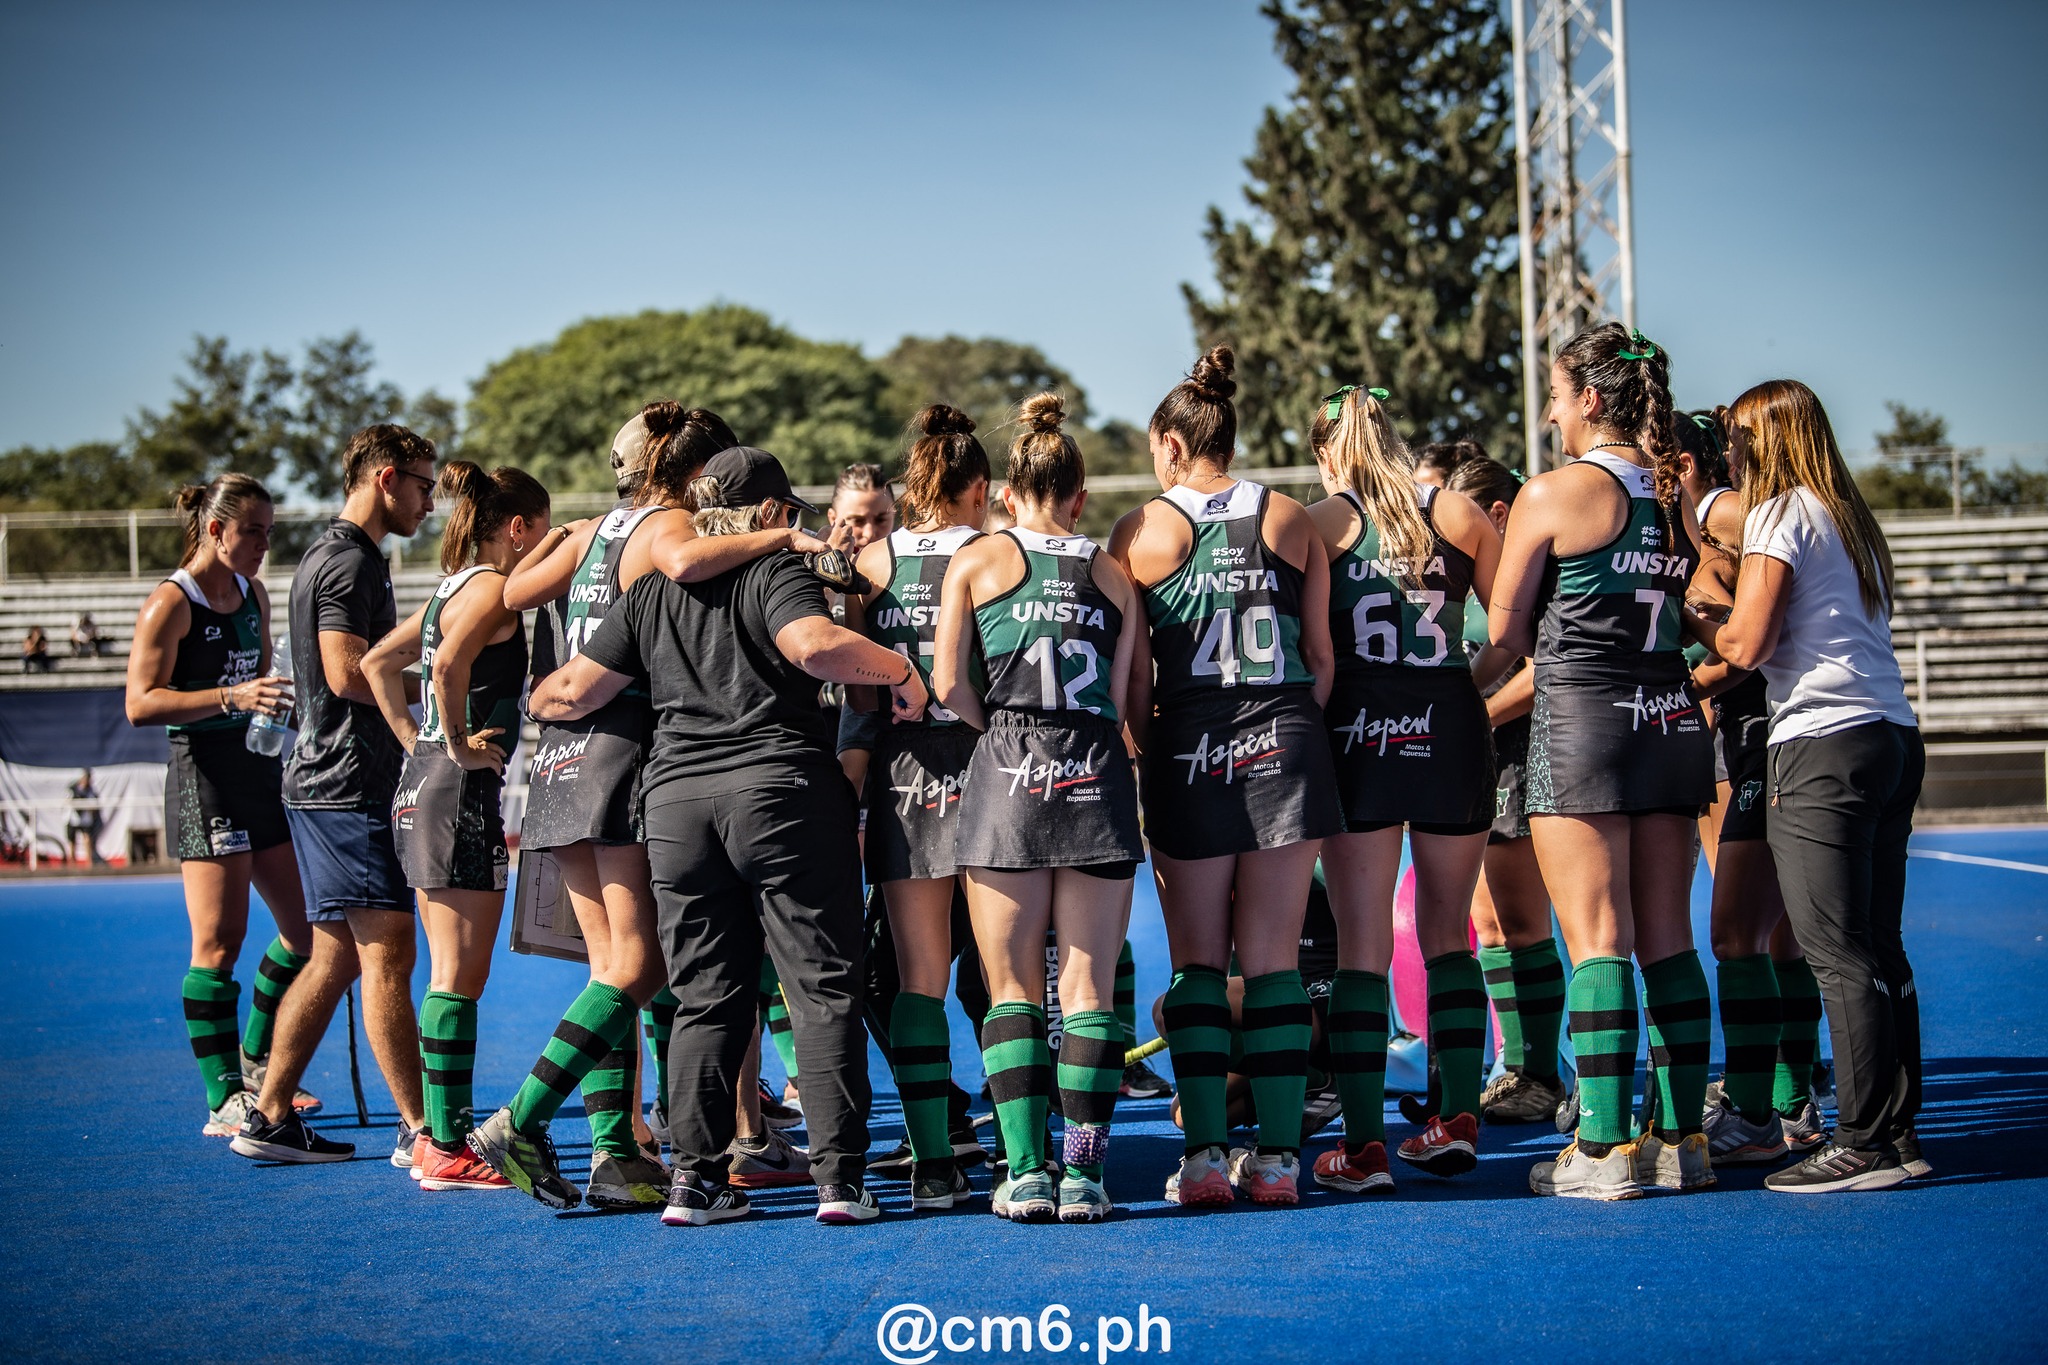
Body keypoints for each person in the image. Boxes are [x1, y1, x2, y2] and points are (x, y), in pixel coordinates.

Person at [529, 445, 929, 1227]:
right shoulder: (777, 570)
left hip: (676, 806)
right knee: (821, 988)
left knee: (705, 998)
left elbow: (568, 691)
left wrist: (530, 701)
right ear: (776, 515)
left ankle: (696, 1182)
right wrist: (903, 674)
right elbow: (814, 646)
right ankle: (840, 1181)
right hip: (781, 794)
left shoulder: (647, 594)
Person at [483, 404, 824, 1211]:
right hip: (624, 749)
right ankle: (521, 1119)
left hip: (561, 760)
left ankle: (614, 1152)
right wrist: (778, 538)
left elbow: (514, 588)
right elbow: (683, 564)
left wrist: (578, 542)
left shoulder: (593, 527)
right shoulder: (668, 522)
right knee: (644, 965)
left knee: (615, 972)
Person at [1110, 346, 1341, 1208]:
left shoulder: (1141, 530)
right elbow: (1321, 659)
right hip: (1286, 739)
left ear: (1170, 444)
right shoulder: (1291, 517)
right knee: (1277, 964)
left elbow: (1134, 679)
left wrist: (1149, 743)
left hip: (1188, 746)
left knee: (1196, 965)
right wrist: (1284, 725)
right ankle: (1279, 1161)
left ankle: (1205, 1157)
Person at [1489, 323, 1716, 1200]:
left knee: (1597, 939)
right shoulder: (1674, 493)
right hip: (1670, 720)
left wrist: (1456, 703)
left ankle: (1602, 1147)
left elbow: (1507, 635)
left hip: (1585, 725)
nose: (1549, 412)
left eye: (1554, 394)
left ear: (1588, 398)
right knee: (1668, 936)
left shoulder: (1553, 494)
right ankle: (1682, 1137)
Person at [1687, 379, 1927, 1194]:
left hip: (1821, 744)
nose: (1733, 453)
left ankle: (1859, 1141)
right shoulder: (1848, 517)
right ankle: (1895, 1131)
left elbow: (1748, 642)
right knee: (1878, 946)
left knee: (1836, 952)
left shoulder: (1783, 510)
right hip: (1890, 734)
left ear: (1769, 439)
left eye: (1740, 439)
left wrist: (1696, 614)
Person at [933, 393, 1148, 1224]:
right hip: (1095, 769)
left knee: (1011, 983)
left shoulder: (978, 561)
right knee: (1090, 987)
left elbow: (949, 681)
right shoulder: (1114, 574)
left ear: (1006, 491)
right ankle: (1085, 1173)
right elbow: (1134, 697)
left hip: (1009, 776)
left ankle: (1025, 1170)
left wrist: (1003, 731)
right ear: (1081, 494)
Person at [1302, 386, 1510, 1194]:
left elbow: (1309, 650)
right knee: (1449, 932)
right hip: (1452, 728)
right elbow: (1514, 630)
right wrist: (1462, 683)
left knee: (1362, 947)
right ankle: (1456, 1116)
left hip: (1360, 735)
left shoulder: (1321, 526)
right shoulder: (1458, 513)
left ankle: (1363, 1148)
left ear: (1327, 453)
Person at [230, 424, 436, 1167]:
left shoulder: (341, 554)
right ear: (386, 478)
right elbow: (349, 672)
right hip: (344, 785)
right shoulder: (346, 561)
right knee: (389, 952)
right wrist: (444, 684)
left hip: (327, 783)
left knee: (337, 957)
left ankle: (271, 1111)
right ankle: (422, 1130)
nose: (430, 500)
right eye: (423, 483)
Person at [361, 462, 549, 1192]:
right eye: (541, 532)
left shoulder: (448, 587)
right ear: (517, 528)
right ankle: (443, 1142)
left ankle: (438, 1137)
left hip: (425, 789)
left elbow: (381, 661)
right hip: (459, 791)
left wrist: (421, 739)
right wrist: (458, 740)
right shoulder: (495, 588)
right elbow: (443, 663)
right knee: (458, 976)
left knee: (450, 970)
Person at [125, 475, 317, 1136]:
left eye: (270, 530)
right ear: (215, 529)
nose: (265, 544)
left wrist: (276, 702)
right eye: (254, 530)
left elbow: (264, 681)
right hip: (201, 774)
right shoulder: (169, 603)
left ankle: (259, 1061)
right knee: (219, 942)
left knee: (309, 930)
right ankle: (222, 1098)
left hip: (256, 770)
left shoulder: (253, 593)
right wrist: (231, 699)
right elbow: (140, 702)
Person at [842, 404, 991, 1211]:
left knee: (918, 979)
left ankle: (935, 1165)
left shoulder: (871, 563)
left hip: (903, 785)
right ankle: (1032, 1153)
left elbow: (858, 701)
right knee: (1005, 980)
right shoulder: (995, 552)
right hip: (994, 777)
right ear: (976, 487)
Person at [1672, 410, 1825, 1166]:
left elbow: (1747, 641)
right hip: (1743, 738)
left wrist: (1691, 665)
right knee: (1771, 933)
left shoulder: (1723, 514)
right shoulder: (1707, 526)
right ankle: (1787, 1099)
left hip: (1762, 740)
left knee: (1742, 932)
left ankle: (1768, 1108)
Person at [1445, 454, 1570, 1127]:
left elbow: (1539, 664)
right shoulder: (1483, 565)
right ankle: (1516, 1063)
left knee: (1523, 922)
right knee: (1489, 924)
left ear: (1496, 513)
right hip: (1480, 756)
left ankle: (1544, 1071)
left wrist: (1473, 713)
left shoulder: (1532, 563)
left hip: (1517, 752)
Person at [65, 769, 105, 867]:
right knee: (72, 841)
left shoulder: (91, 791)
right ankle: (72, 863)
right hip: (73, 819)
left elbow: (94, 805)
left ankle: (89, 862)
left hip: (85, 820)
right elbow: (66, 802)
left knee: (87, 839)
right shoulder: (72, 790)